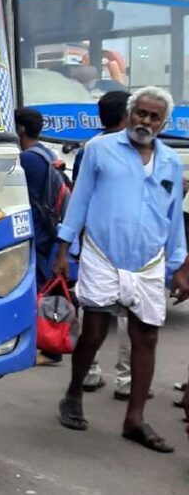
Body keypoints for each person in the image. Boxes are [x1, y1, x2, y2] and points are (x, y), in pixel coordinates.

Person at [54, 86, 189, 453]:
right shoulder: (100, 149)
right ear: (130, 114)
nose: (145, 121)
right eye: (140, 113)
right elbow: (79, 200)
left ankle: (135, 419)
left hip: (148, 262)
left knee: (146, 337)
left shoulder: (170, 163)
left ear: (163, 123)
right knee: (95, 330)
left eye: (153, 116)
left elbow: (174, 218)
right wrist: (65, 248)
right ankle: (72, 393)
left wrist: (179, 268)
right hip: (102, 254)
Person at [73, 91, 138, 396]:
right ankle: (126, 381)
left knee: (93, 306)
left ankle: (89, 373)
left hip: (95, 239)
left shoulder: (89, 148)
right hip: (131, 240)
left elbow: (78, 197)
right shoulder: (136, 149)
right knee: (131, 310)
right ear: (127, 115)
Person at [15, 108, 70, 366]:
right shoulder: (47, 152)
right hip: (50, 229)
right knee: (46, 286)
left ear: (21, 129)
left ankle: (49, 348)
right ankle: (49, 345)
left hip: (36, 231)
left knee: (38, 288)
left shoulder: (27, 159)